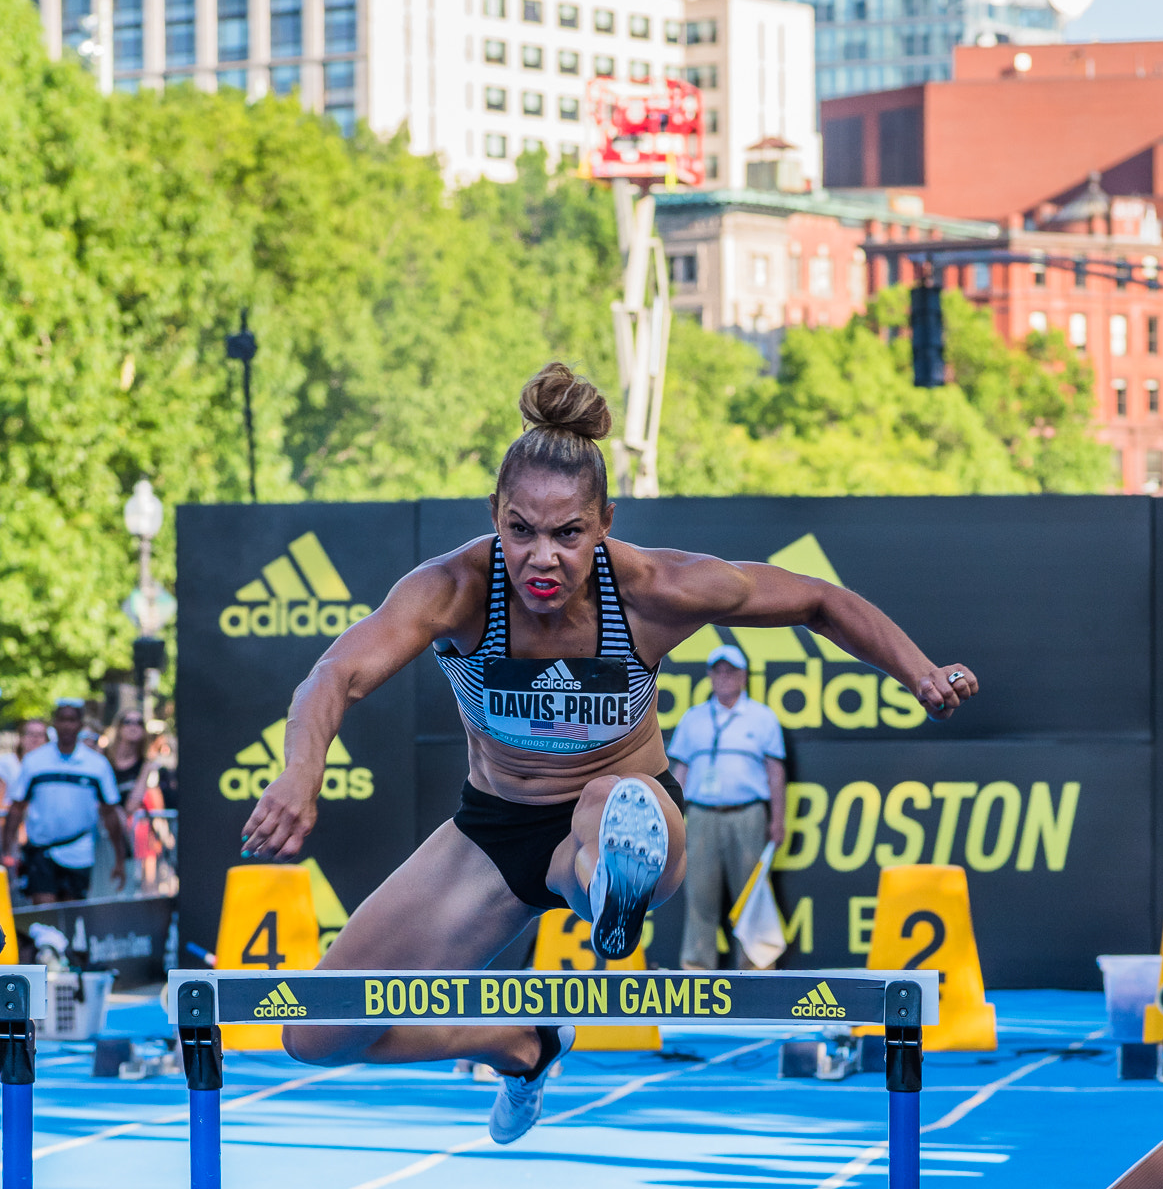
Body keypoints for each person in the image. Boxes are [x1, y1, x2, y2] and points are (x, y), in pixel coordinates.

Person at [241, 362, 977, 1144]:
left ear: (603, 524)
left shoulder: (657, 590)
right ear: (495, 516)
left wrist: (918, 671)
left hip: (631, 817)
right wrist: (300, 771)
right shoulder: (453, 590)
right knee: (315, 1031)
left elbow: (818, 599)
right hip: (495, 828)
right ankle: (515, 1043)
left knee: (606, 804)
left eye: (567, 534)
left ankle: (603, 894)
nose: (541, 559)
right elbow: (336, 673)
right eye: (519, 530)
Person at [668, 644, 786, 971]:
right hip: (702, 816)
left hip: (748, 815)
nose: (724, 677)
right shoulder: (693, 718)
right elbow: (681, 773)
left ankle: (757, 971)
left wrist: (778, 820)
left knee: (752, 896)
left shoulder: (762, 717)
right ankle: (696, 972)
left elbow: (775, 771)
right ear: (709, 676)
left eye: (731, 670)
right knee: (699, 896)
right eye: (717, 670)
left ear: (744, 676)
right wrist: (675, 819)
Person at [1, 700, 128, 904]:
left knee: (72, 914)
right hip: (42, 851)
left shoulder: (96, 765)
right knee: (45, 914)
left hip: (79, 851)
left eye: (72, 720)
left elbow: (110, 813)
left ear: (79, 724)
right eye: (62, 720)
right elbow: (16, 808)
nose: (67, 726)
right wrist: (8, 849)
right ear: (55, 723)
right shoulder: (35, 762)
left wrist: (119, 858)